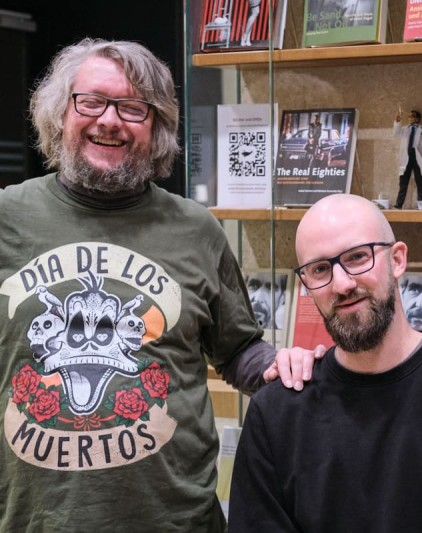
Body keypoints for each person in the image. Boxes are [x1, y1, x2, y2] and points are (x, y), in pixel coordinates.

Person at [0, 38, 316, 532]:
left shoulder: (197, 229)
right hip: (36, 520)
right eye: (92, 101)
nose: (110, 119)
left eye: (133, 108)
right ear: (61, 112)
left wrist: (283, 366)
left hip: (175, 520)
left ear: (157, 128)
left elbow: (237, 351)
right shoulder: (7, 217)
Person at [229, 193, 422, 532]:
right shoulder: (275, 413)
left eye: (358, 257)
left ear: (398, 260)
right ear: (306, 285)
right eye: (320, 269)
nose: (343, 284)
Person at [393, 109, 422, 209]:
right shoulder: (404, 129)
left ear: (418, 119)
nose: (411, 118)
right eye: (409, 116)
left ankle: (421, 204)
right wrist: (397, 122)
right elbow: (396, 133)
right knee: (403, 182)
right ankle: (399, 204)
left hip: (417, 158)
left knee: (419, 181)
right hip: (406, 158)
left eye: (413, 116)